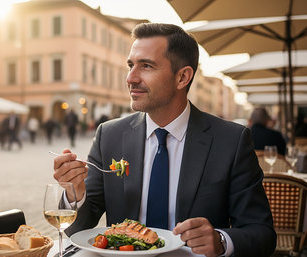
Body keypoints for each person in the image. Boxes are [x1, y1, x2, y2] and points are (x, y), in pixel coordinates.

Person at [53, 23, 276, 257]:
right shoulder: (109, 135)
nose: (130, 78)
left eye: (146, 66)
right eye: (131, 65)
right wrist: (74, 192)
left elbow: (262, 234)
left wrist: (221, 240)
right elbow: (79, 229)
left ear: (182, 77)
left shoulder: (231, 140)